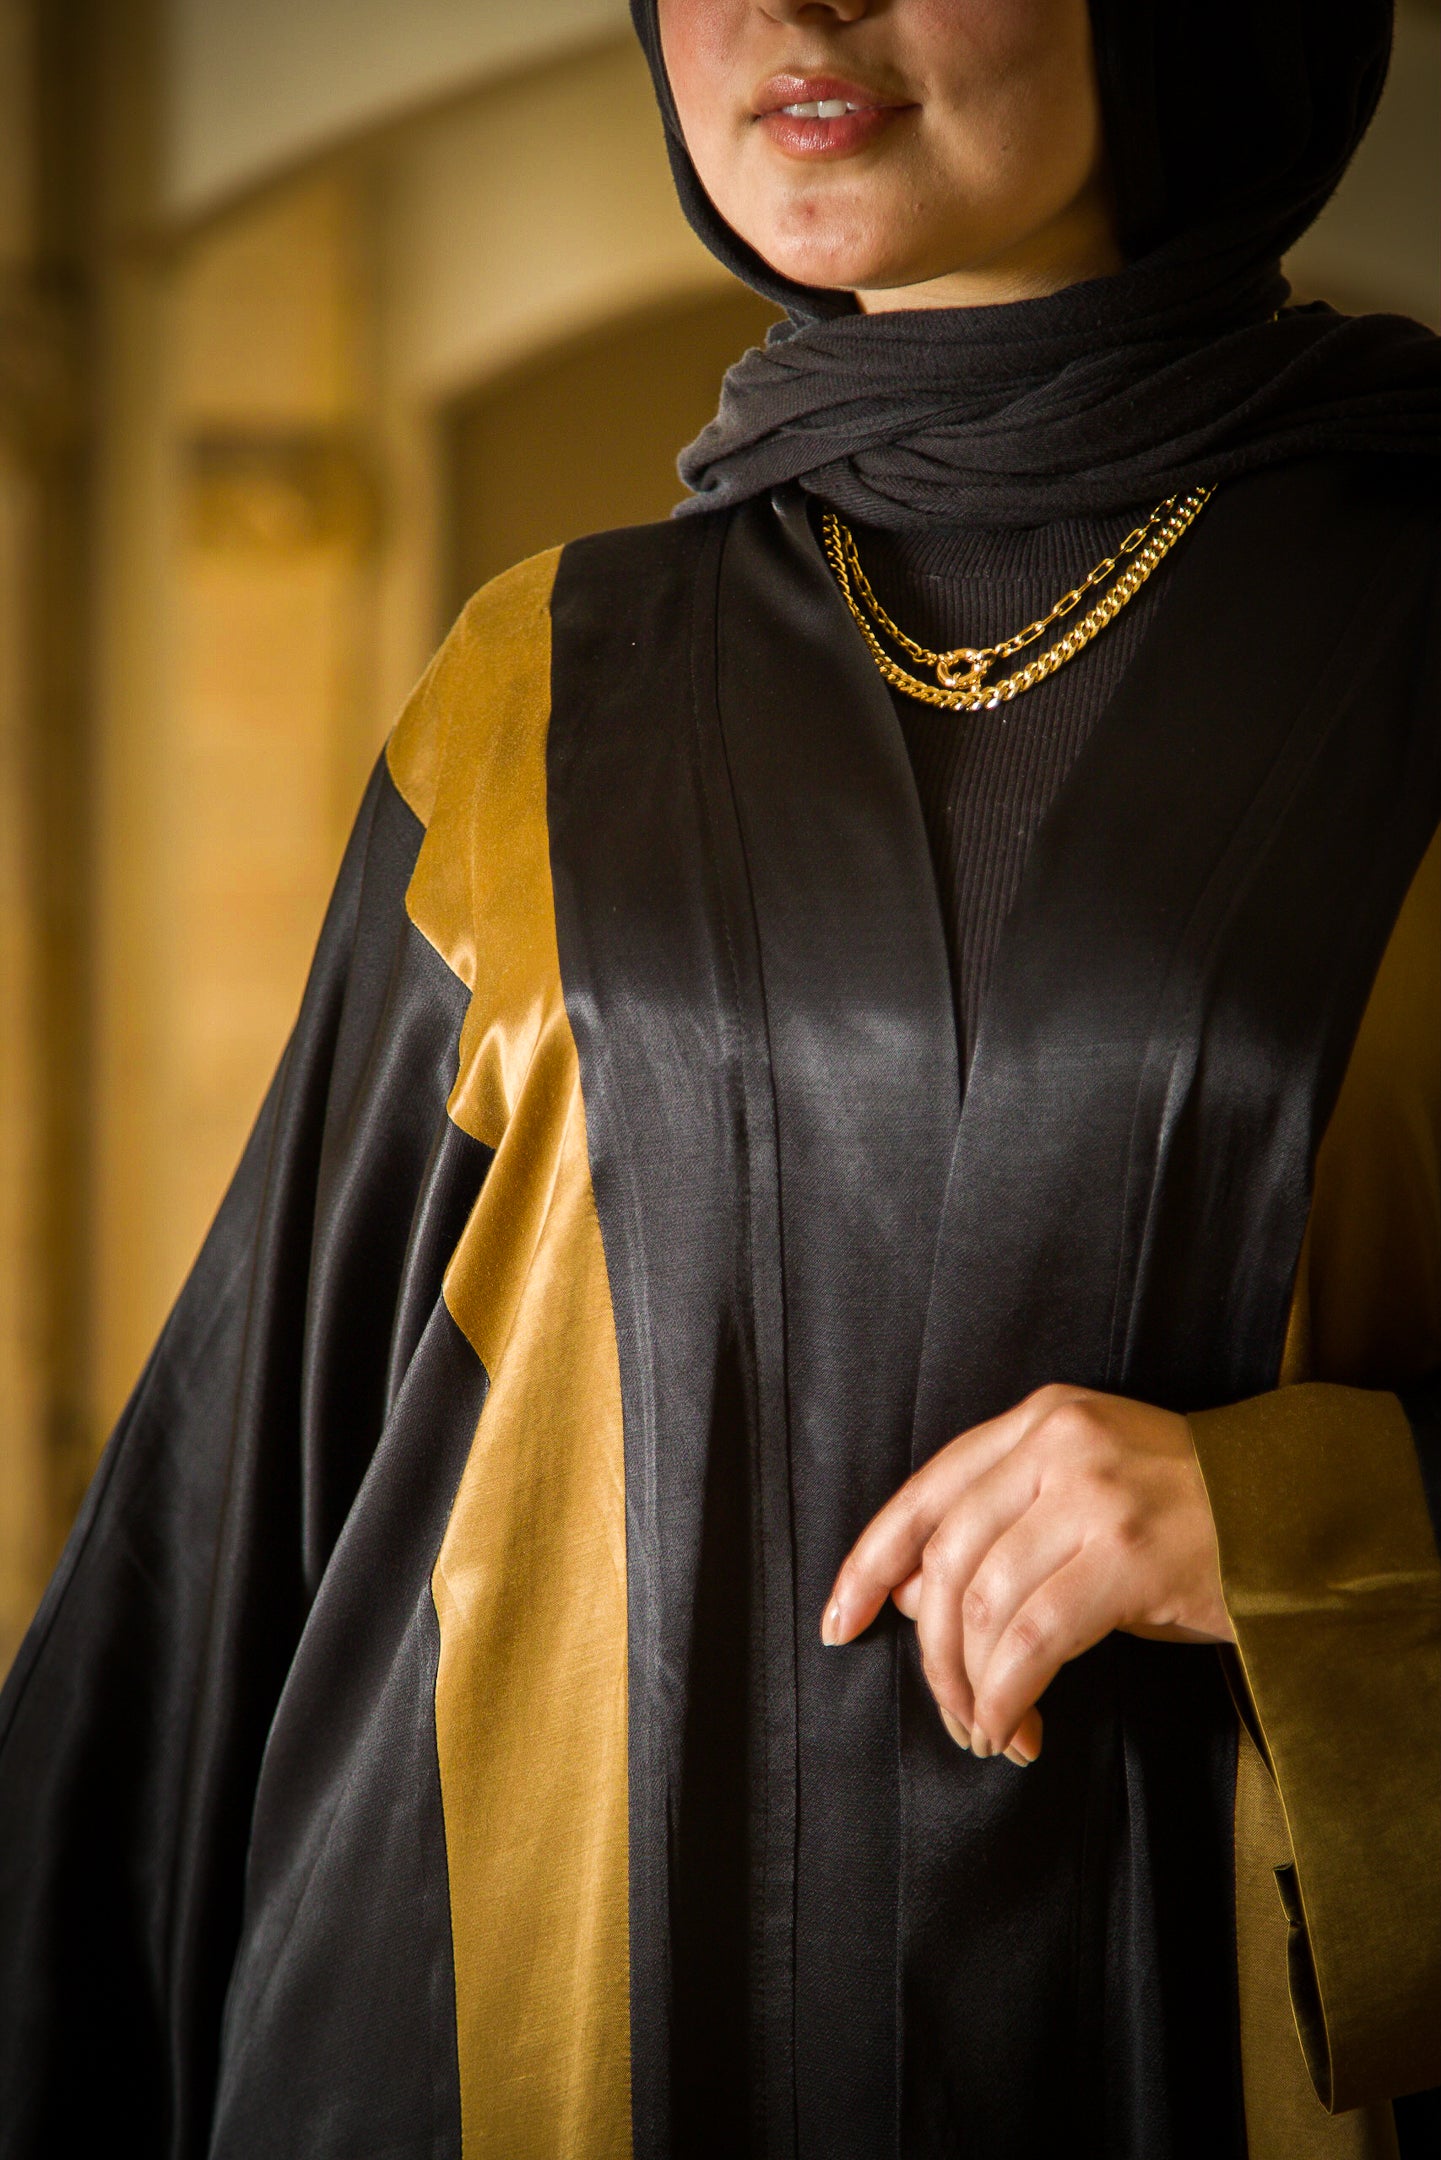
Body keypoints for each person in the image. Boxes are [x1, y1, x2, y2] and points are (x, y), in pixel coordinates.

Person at [1, 1, 1438, 2154]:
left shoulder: (1416, 644)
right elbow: (229, 1534)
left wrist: (1317, 1528)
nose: (794, 9)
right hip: (510, 2054)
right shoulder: (534, 686)